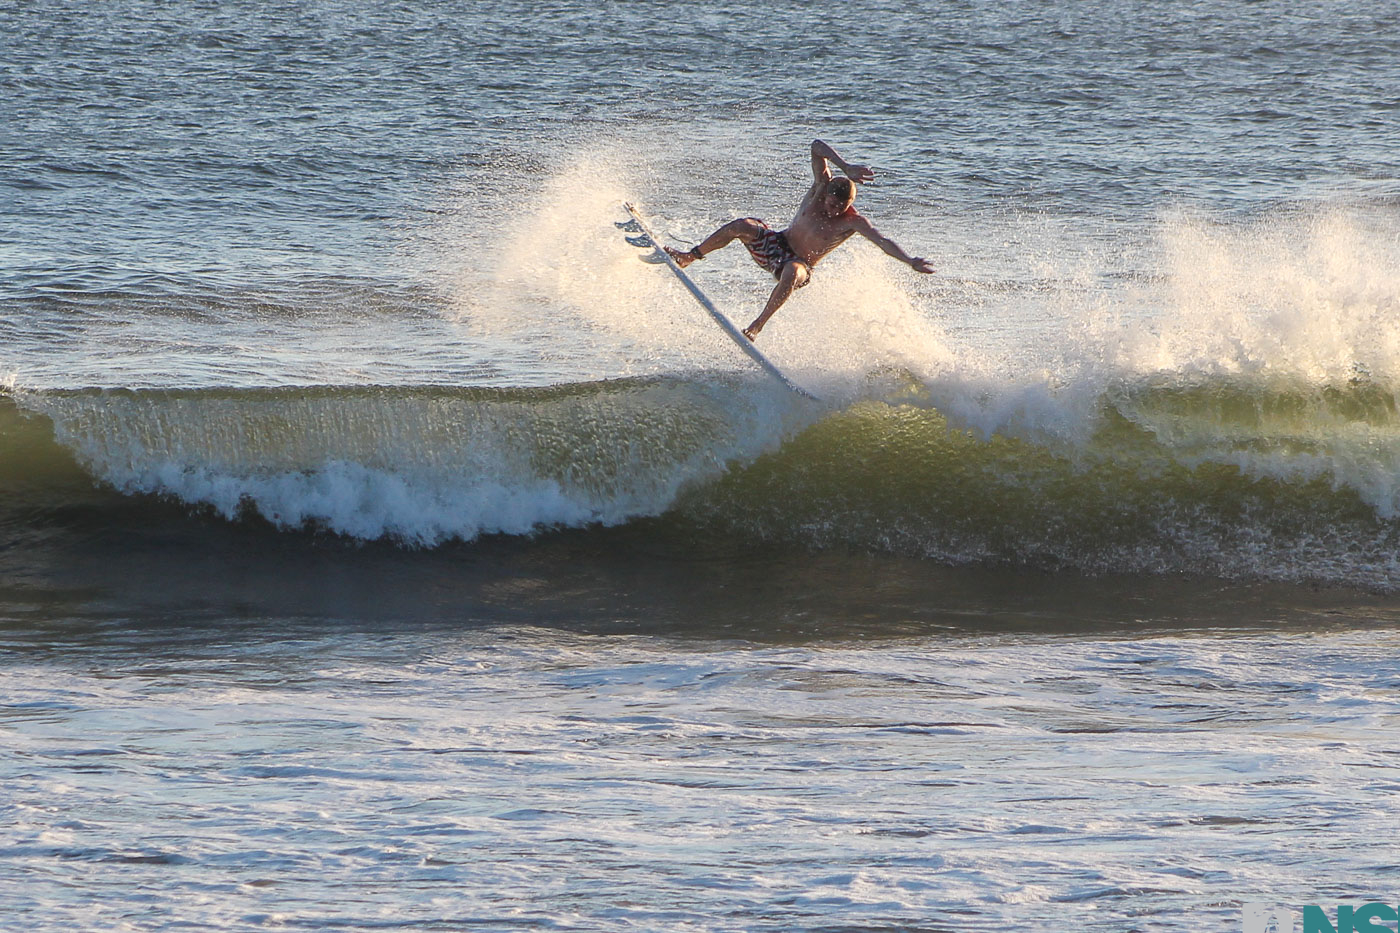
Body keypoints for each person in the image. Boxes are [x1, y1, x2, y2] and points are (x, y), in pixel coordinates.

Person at [666, 140, 935, 341]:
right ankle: (689, 256)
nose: (834, 211)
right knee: (742, 226)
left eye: (841, 207)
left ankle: (757, 326)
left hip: (800, 264)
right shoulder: (821, 187)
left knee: (793, 272)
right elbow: (816, 147)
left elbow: (883, 241)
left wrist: (910, 261)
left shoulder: (853, 222)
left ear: (850, 204)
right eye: (831, 204)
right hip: (777, 243)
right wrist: (845, 166)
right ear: (826, 194)